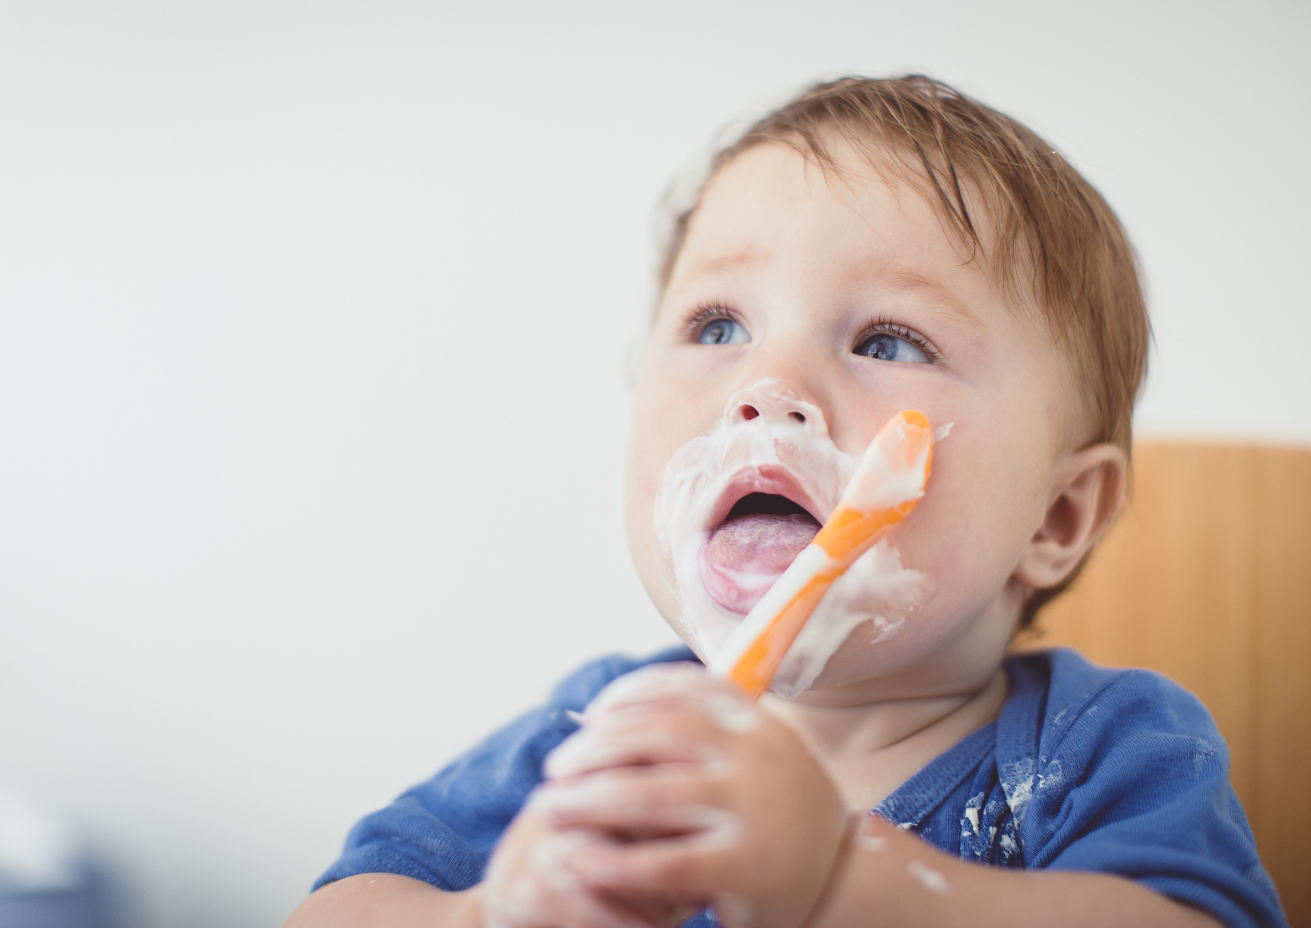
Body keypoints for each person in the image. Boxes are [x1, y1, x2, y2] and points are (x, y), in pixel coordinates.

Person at [285, 76, 1285, 927]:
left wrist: (847, 883)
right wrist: (488, 912)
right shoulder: (602, 735)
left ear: (1056, 518)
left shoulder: (1101, 749)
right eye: (719, 325)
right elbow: (338, 909)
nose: (767, 385)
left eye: (888, 342)